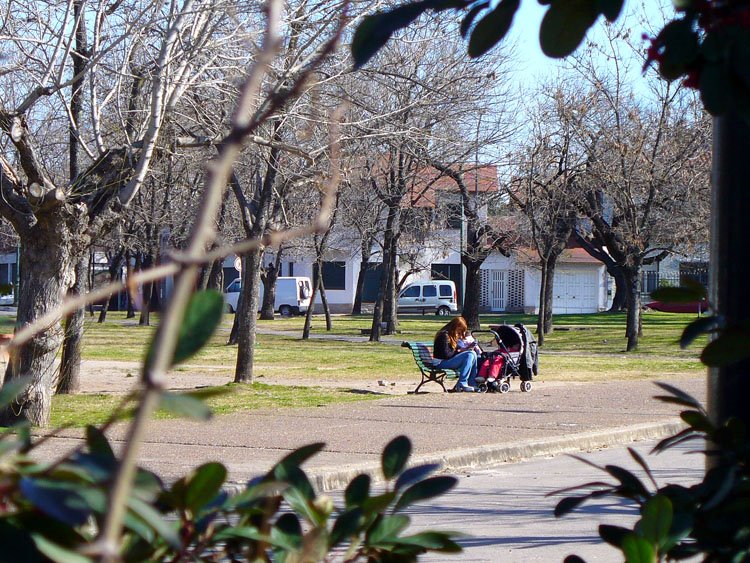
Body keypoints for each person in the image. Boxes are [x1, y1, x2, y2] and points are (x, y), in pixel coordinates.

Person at [433, 316, 478, 392]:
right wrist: (459, 351)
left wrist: (465, 349)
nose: (459, 334)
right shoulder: (444, 336)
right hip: (440, 362)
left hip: (447, 360)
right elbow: (446, 355)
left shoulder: (451, 336)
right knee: (469, 354)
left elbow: (455, 350)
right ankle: (462, 383)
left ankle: (472, 383)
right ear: (455, 327)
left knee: (473, 353)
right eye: (459, 331)